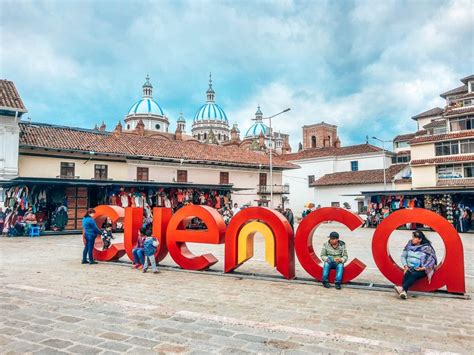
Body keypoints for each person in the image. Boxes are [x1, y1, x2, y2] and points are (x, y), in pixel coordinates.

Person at [395, 230, 437, 300]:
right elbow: (403, 256)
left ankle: (403, 289)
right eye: (412, 237)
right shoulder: (409, 245)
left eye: (414, 238)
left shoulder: (427, 248)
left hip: (422, 270)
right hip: (410, 267)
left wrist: (423, 267)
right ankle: (404, 292)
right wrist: (405, 266)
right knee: (408, 271)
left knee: (414, 273)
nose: (412, 239)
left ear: (420, 239)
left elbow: (432, 260)